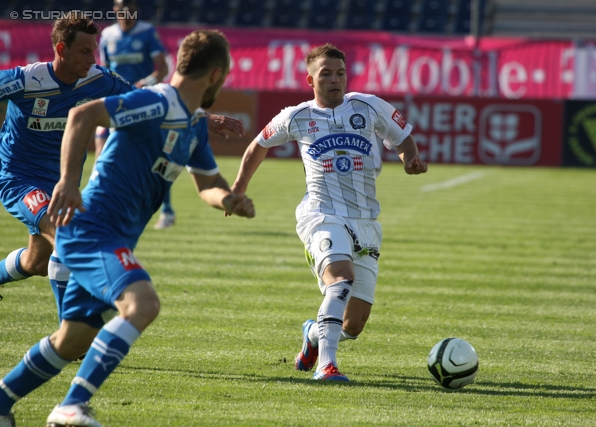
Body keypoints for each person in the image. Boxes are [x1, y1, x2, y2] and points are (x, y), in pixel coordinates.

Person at [0, 29, 254, 427]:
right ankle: (70, 408)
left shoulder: (192, 125)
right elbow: (83, 115)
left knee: (73, 339)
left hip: (111, 236)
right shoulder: (154, 101)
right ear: (216, 75)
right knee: (143, 304)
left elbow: (207, 185)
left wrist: (230, 200)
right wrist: (67, 181)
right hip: (91, 229)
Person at [231, 43, 427, 382]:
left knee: (354, 324)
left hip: (366, 220)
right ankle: (327, 365)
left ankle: (312, 335)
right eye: (326, 74)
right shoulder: (296, 116)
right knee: (340, 280)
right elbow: (257, 146)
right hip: (321, 215)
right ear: (311, 80)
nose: (335, 80)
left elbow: (404, 138)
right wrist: (238, 189)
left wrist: (408, 159)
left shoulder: (369, 106)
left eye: (340, 73)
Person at [0, 17, 137, 321]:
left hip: (60, 184)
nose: (93, 59)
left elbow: (148, 100)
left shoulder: (99, 80)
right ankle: (69, 333)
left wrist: (206, 119)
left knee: (36, 262)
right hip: (18, 179)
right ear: (61, 49)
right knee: (66, 233)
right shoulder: (25, 80)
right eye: (85, 52)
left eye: (95, 51)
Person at [95, 0, 176, 230]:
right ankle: (102, 208)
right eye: (121, 5)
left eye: (130, 4)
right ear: (115, 9)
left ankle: (167, 209)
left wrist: (144, 83)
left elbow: (163, 69)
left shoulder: (147, 32)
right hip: (117, 103)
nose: (126, 9)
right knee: (101, 149)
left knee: (155, 158)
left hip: (144, 102)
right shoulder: (108, 35)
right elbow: (104, 70)